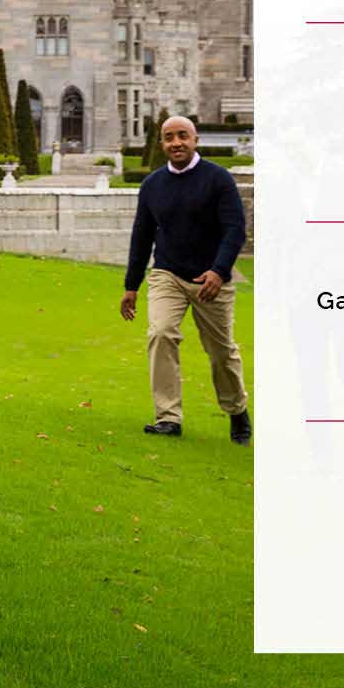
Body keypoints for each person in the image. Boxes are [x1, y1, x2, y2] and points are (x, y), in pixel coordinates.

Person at [119, 115, 251, 443]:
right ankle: (168, 417)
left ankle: (237, 411)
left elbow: (235, 229)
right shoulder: (152, 185)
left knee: (222, 352)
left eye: (182, 136)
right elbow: (142, 236)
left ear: (195, 140)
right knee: (161, 333)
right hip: (168, 275)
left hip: (211, 279)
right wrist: (131, 286)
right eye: (168, 137)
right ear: (162, 143)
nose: (176, 142)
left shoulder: (218, 179)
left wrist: (219, 271)